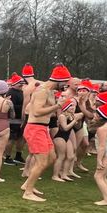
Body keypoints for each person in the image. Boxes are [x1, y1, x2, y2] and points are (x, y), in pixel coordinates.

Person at [21, 64, 71, 202]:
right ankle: (28, 192)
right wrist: (58, 105)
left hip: (43, 128)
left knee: (52, 157)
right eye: (65, 82)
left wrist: (57, 105)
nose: (66, 85)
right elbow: (36, 111)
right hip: (35, 128)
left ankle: (27, 185)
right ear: (58, 80)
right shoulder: (42, 91)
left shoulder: (49, 91)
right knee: (42, 162)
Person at [4, 73, 26, 165]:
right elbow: (10, 106)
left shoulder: (21, 92)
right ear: (14, 83)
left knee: (21, 138)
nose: (21, 84)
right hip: (13, 120)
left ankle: (18, 155)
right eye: (19, 83)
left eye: (22, 82)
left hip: (21, 119)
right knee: (11, 139)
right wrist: (24, 107)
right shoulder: (11, 92)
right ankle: (7, 157)